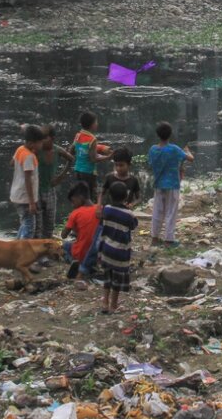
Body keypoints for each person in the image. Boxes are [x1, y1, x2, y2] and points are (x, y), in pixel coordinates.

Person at [147, 122, 193, 246]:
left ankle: (154, 239)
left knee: (157, 211)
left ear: (158, 135)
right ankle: (168, 240)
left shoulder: (153, 149)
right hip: (172, 184)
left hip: (158, 184)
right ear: (170, 134)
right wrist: (188, 151)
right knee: (171, 212)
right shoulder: (174, 149)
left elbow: (150, 164)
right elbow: (190, 159)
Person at [97, 181, 138, 314]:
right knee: (117, 280)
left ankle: (104, 303)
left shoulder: (106, 208)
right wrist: (128, 209)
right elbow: (133, 225)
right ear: (126, 196)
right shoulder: (129, 214)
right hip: (120, 252)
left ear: (110, 195)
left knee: (107, 278)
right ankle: (114, 305)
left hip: (106, 249)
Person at [37, 124, 74, 242]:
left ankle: (47, 249)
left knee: (49, 223)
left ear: (52, 138)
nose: (41, 141)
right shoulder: (37, 150)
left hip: (50, 190)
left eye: (44, 138)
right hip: (36, 191)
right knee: (37, 225)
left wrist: (61, 176)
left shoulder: (57, 150)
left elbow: (71, 159)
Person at [10, 124, 45, 239]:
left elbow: (12, 163)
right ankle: (23, 252)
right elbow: (28, 179)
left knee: (24, 223)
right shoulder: (29, 156)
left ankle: (16, 247)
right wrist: (31, 203)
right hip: (25, 198)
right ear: (31, 143)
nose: (42, 144)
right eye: (40, 142)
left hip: (17, 195)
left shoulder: (20, 149)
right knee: (29, 227)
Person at [62, 183, 98, 285]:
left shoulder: (75, 213)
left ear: (80, 197)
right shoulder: (100, 209)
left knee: (65, 245)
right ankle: (90, 265)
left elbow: (63, 235)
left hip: (81, 253)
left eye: (73, 201)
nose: (73, 205)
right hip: (97, 253)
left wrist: (71, 223)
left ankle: (74, 261)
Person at [70, 111, 111, 199]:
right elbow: (93, 158)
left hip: (77, 170)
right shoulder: (92, 139)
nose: (97, 124)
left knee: (81, 194)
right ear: (92, 125)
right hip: (88, 172)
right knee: (91, 196)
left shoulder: (78, 135)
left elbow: (72, 150)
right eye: (96, 122)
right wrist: (107, 157)